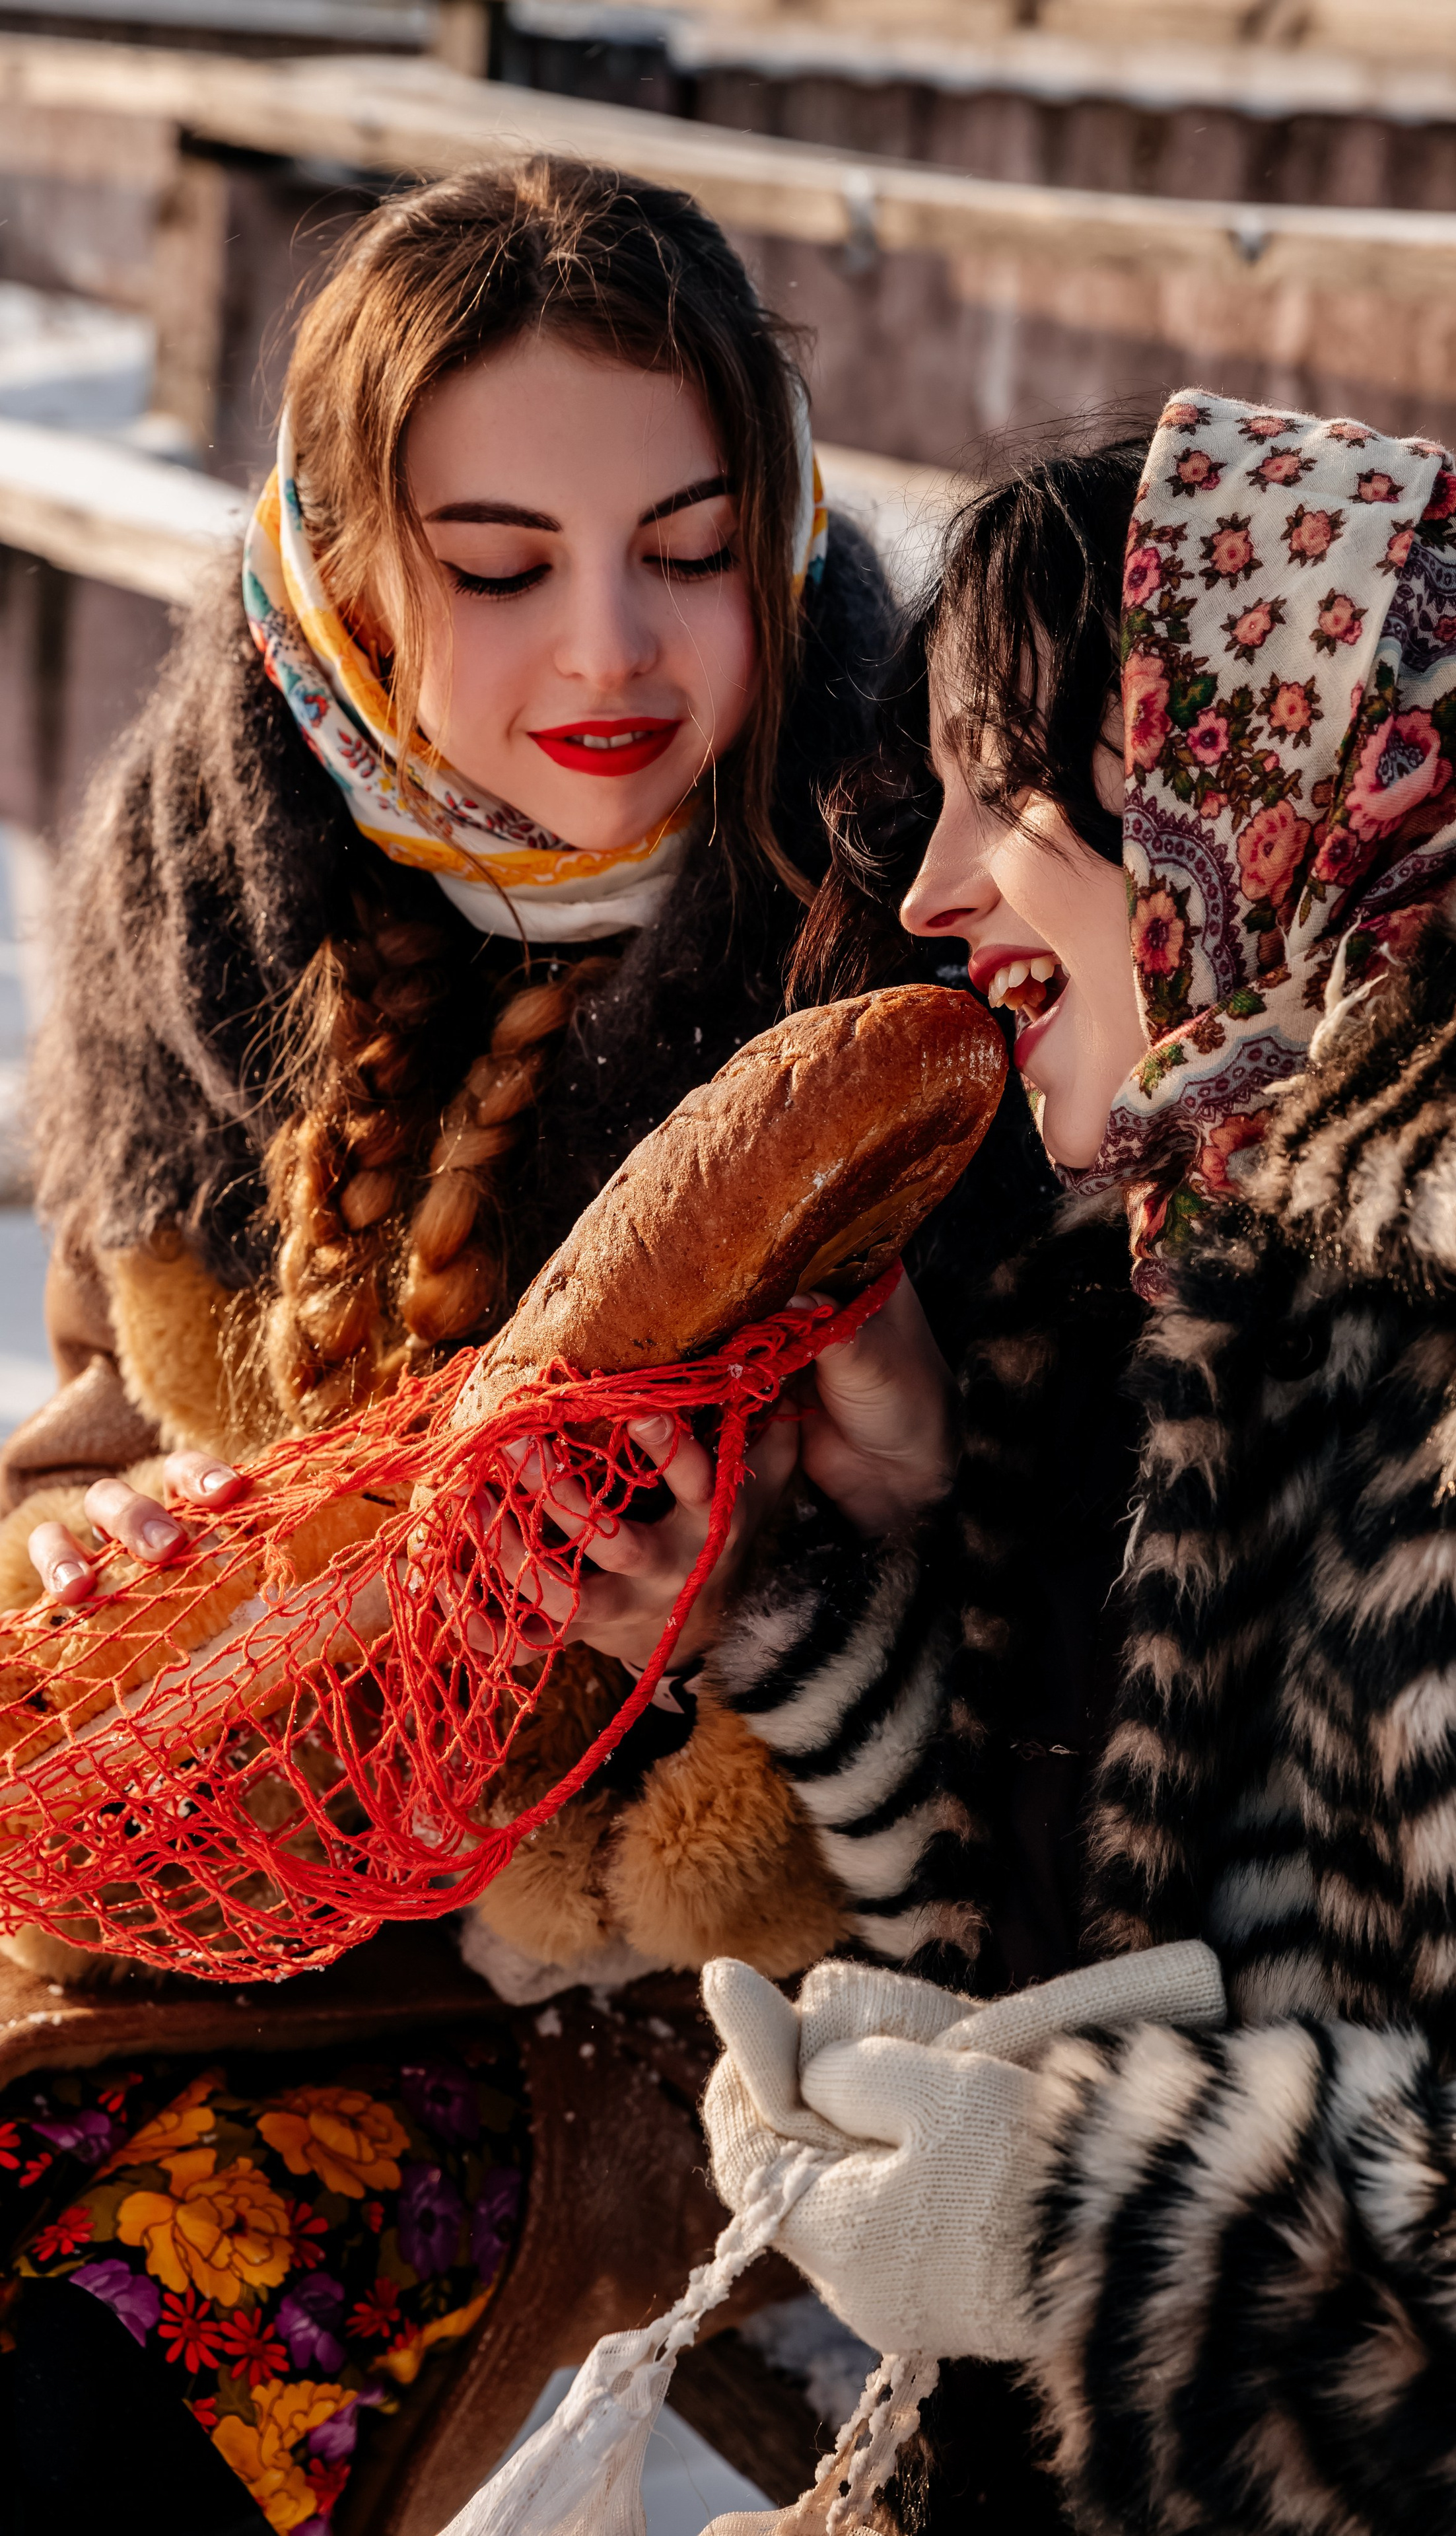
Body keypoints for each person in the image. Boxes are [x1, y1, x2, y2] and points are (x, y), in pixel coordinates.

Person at [565, 393, 1456, 2532]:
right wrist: (798, 1616)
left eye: (1003, 788)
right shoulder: (1189, 1270)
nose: (932, 889)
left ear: (1265, 782)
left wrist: (1080, 2213)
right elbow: (1140, 1941)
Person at [0, 156, 993, 2535]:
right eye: (501, 567)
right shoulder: (210, 872)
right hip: (219, 1895)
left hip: (690, 2004)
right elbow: (101, 1413)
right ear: (351, 564)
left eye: (691, 547)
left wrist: (856, 1544)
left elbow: (1094, 1688)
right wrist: (96, 1540)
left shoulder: (938, 901)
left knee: (125, 2352)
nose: (612, 656)